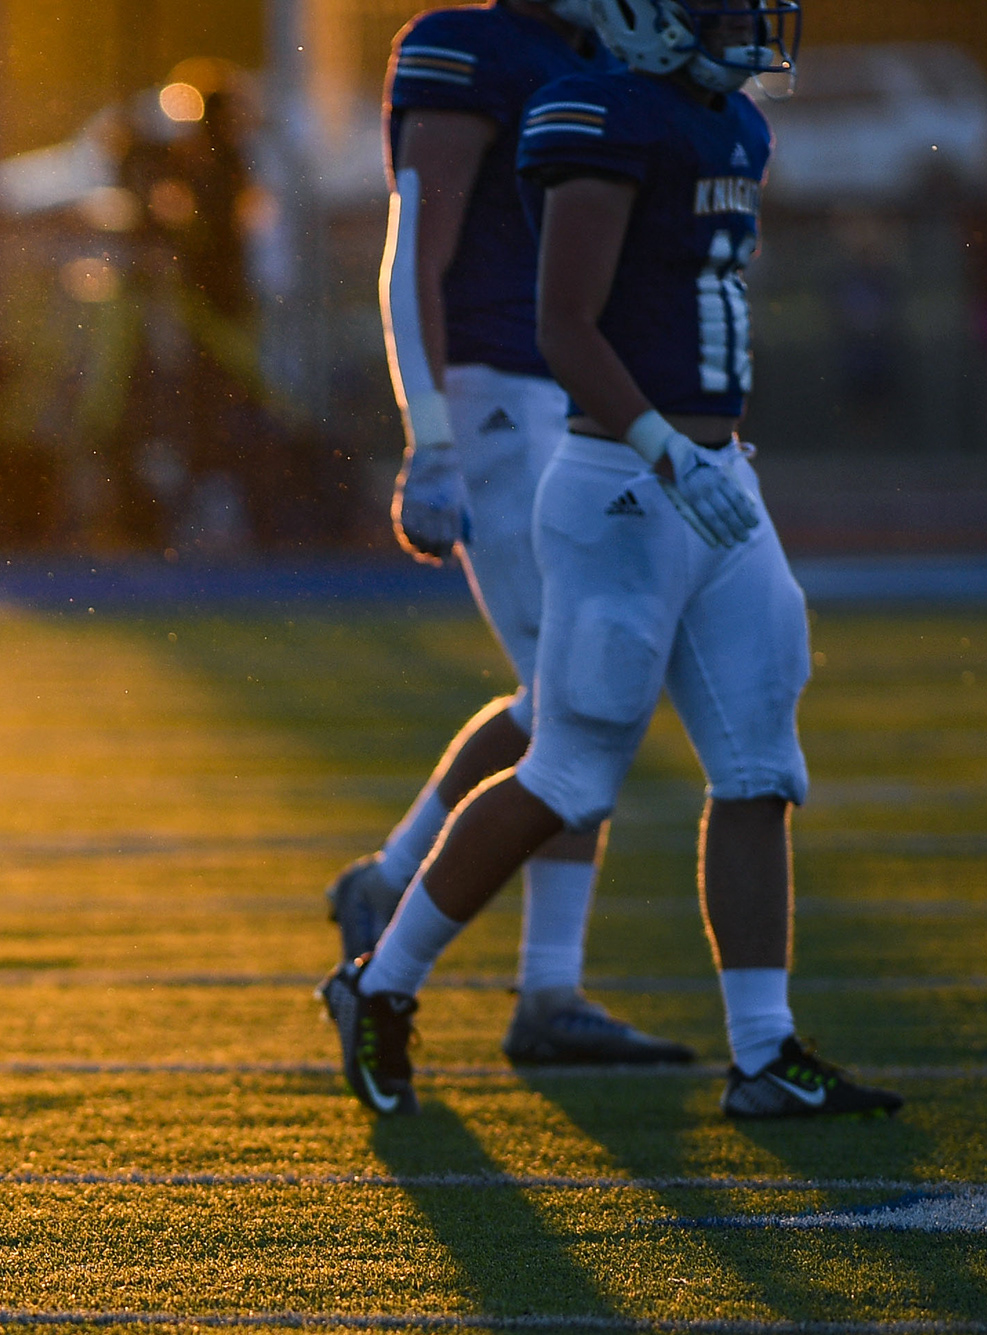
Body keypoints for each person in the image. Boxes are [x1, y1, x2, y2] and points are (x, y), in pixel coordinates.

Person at [321, 0, 897, 1122]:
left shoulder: (731, 124)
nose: (747, 21)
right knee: (571, 762)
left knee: (761, 763)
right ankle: (382, 978)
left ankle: (764, 1049)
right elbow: (558, 320)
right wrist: (439, 436)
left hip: (715, 471)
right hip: (619, 473)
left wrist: (707, 451)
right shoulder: (586, 107)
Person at [329, 0, 689, 1069]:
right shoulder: (468, 46)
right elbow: (413, 259)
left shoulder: (597, 57)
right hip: (496, 393)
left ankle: (416, 899)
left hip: (575, 399)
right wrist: (430, 436)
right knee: (579, 693)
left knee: (573, 690)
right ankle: (528, 982)